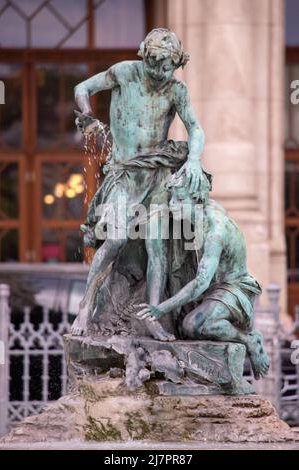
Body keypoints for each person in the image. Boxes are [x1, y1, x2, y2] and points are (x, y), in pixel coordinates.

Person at [71, 28, 205, 339]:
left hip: (156, 176)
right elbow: (82, 87)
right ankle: (86, 306)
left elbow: (195, 129)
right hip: (125, 174)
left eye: (168, 66)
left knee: (156, 248)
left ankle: (152, 315)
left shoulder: (176, 90)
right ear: (144, 56)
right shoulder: (123, 73)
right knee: (116, 239)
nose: (161, 72)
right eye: (155, 64)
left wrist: (195, 160)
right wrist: (87, 116)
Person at [137, 172, 270, 380]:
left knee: (193, 325)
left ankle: (250, 340)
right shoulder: (198, 215)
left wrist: (161, 307)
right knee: (182, 327)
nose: (173, 204)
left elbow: (200, 282)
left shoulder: (215, 230)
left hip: (234, 289)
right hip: (213, 289)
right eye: (172, 198)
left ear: (197, 200)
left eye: (180, 199)